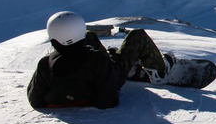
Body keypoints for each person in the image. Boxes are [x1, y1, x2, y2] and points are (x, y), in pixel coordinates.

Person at [27, 11, 176, 110]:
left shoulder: (45, 63)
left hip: (87, 67)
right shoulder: (98, 60)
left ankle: (114, 57)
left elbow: (35, 100)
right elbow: (107, 101)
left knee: (90, 36)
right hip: (109, 72)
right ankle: (159, 72)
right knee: (137, 35)